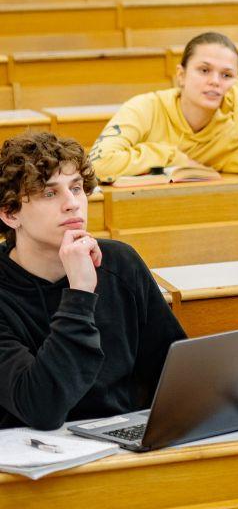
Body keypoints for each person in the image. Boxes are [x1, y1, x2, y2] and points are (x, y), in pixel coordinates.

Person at [0, 133, 185, 429]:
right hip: (35, 457)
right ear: (11, 214)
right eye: (50, 193)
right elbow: (42, 408)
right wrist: (80, 294)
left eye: (76, 188)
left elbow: (176, 371)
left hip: (121, 444)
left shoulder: (120, 263)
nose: (72, 204)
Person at [89, 32, 238, 183]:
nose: (215, 81)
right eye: (204, 70)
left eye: (227, 75)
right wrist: (173, 157)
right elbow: (98, 165)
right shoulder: (145, 108)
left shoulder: (232, 133)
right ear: (181, 75)